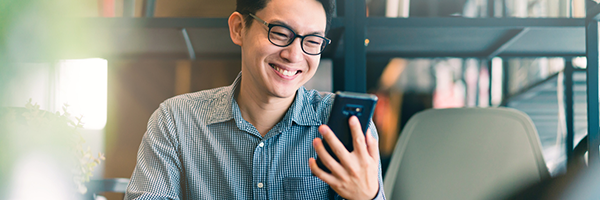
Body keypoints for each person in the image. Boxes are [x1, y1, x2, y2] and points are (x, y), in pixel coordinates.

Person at [124, 0, 385, 199]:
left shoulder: (347, 128)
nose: (294, 55)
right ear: (239, 28)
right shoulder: (176, 121)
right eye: (281, 33)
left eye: (313, 41)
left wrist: (367, 196)